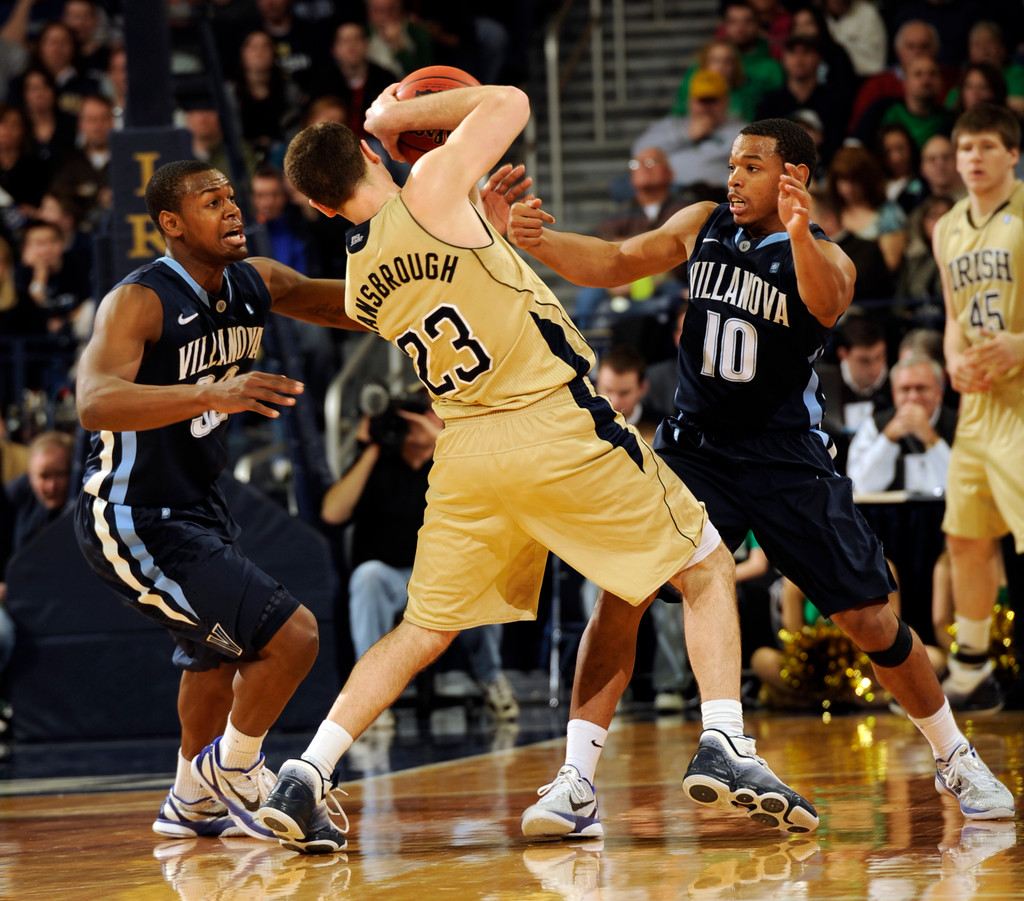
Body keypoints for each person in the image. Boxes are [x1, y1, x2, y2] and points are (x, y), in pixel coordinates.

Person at [255, 84, 814, 854]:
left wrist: (481, 218)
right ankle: (725, 738)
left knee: (423, 628)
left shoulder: (361, 275)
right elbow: (514, 103)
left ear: (319, 210)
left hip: (467, 453)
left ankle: (308, 769)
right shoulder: (428, 187)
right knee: (706, 562)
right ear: (370, 153)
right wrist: (396, 117)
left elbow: (464, 275)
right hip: (551, 423)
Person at [508, 116, 1014, 822]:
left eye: (750, 165)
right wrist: (531, 239)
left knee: (870, 618)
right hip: (695, 450)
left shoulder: (827, 254)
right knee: (621, 593)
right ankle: (577, 779)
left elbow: (828, 301)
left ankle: (954, 757)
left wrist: (803, 231)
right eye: (733, 164)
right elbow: (620, 259)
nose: (733, 177)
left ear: (792, 176)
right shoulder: (704, 222)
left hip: (785, 458)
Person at [72, 159, 366, 844]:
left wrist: (449, 269)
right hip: (131, 515)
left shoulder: (254, 282)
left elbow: (347, 302)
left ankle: (190, 799)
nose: (233, 209)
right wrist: (211, 392)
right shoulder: (139, 299)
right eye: (212, 201)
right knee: (292, 636)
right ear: (172, 224)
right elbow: (93, 402)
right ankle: (236, 769)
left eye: (233, 197)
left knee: (212, 653)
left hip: (196, 505)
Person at [320, 392, 518, 725]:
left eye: (424, 415)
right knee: (367, 576)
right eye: (405, 419)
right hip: (390, 579)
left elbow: (497, 486)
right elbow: (332, 513)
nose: (413, 427)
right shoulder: (377, 462)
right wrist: (373, 447)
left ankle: (490, 677)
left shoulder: (453, 458)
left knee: (486, 573)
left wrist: (439, 439)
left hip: (445, 575)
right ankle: (367, 697)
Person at [934, 103, 1024, 715]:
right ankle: (971, 670)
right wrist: (950, 358)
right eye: (966, 148)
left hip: (1021, 404)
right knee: (966, 537)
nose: (974, 158)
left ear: (1013, 154)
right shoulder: (945, 228)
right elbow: (951, 316)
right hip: (977, 408)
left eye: (987, 147)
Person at [632, 69, 747, 197]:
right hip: (670, 191)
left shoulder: (740, 131)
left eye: (712, 100)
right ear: (690, 102)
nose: (707, 107)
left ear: (726, 102)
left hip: (714, 193)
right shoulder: (672, 125)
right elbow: (640, 151)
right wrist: (686, 135)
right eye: (702, 100)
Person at [7, 429, 73, 554]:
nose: (52, 486)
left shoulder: (85, 512)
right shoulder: (15, 500)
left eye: (60, 474)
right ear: (30, 476)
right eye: (44, 476)